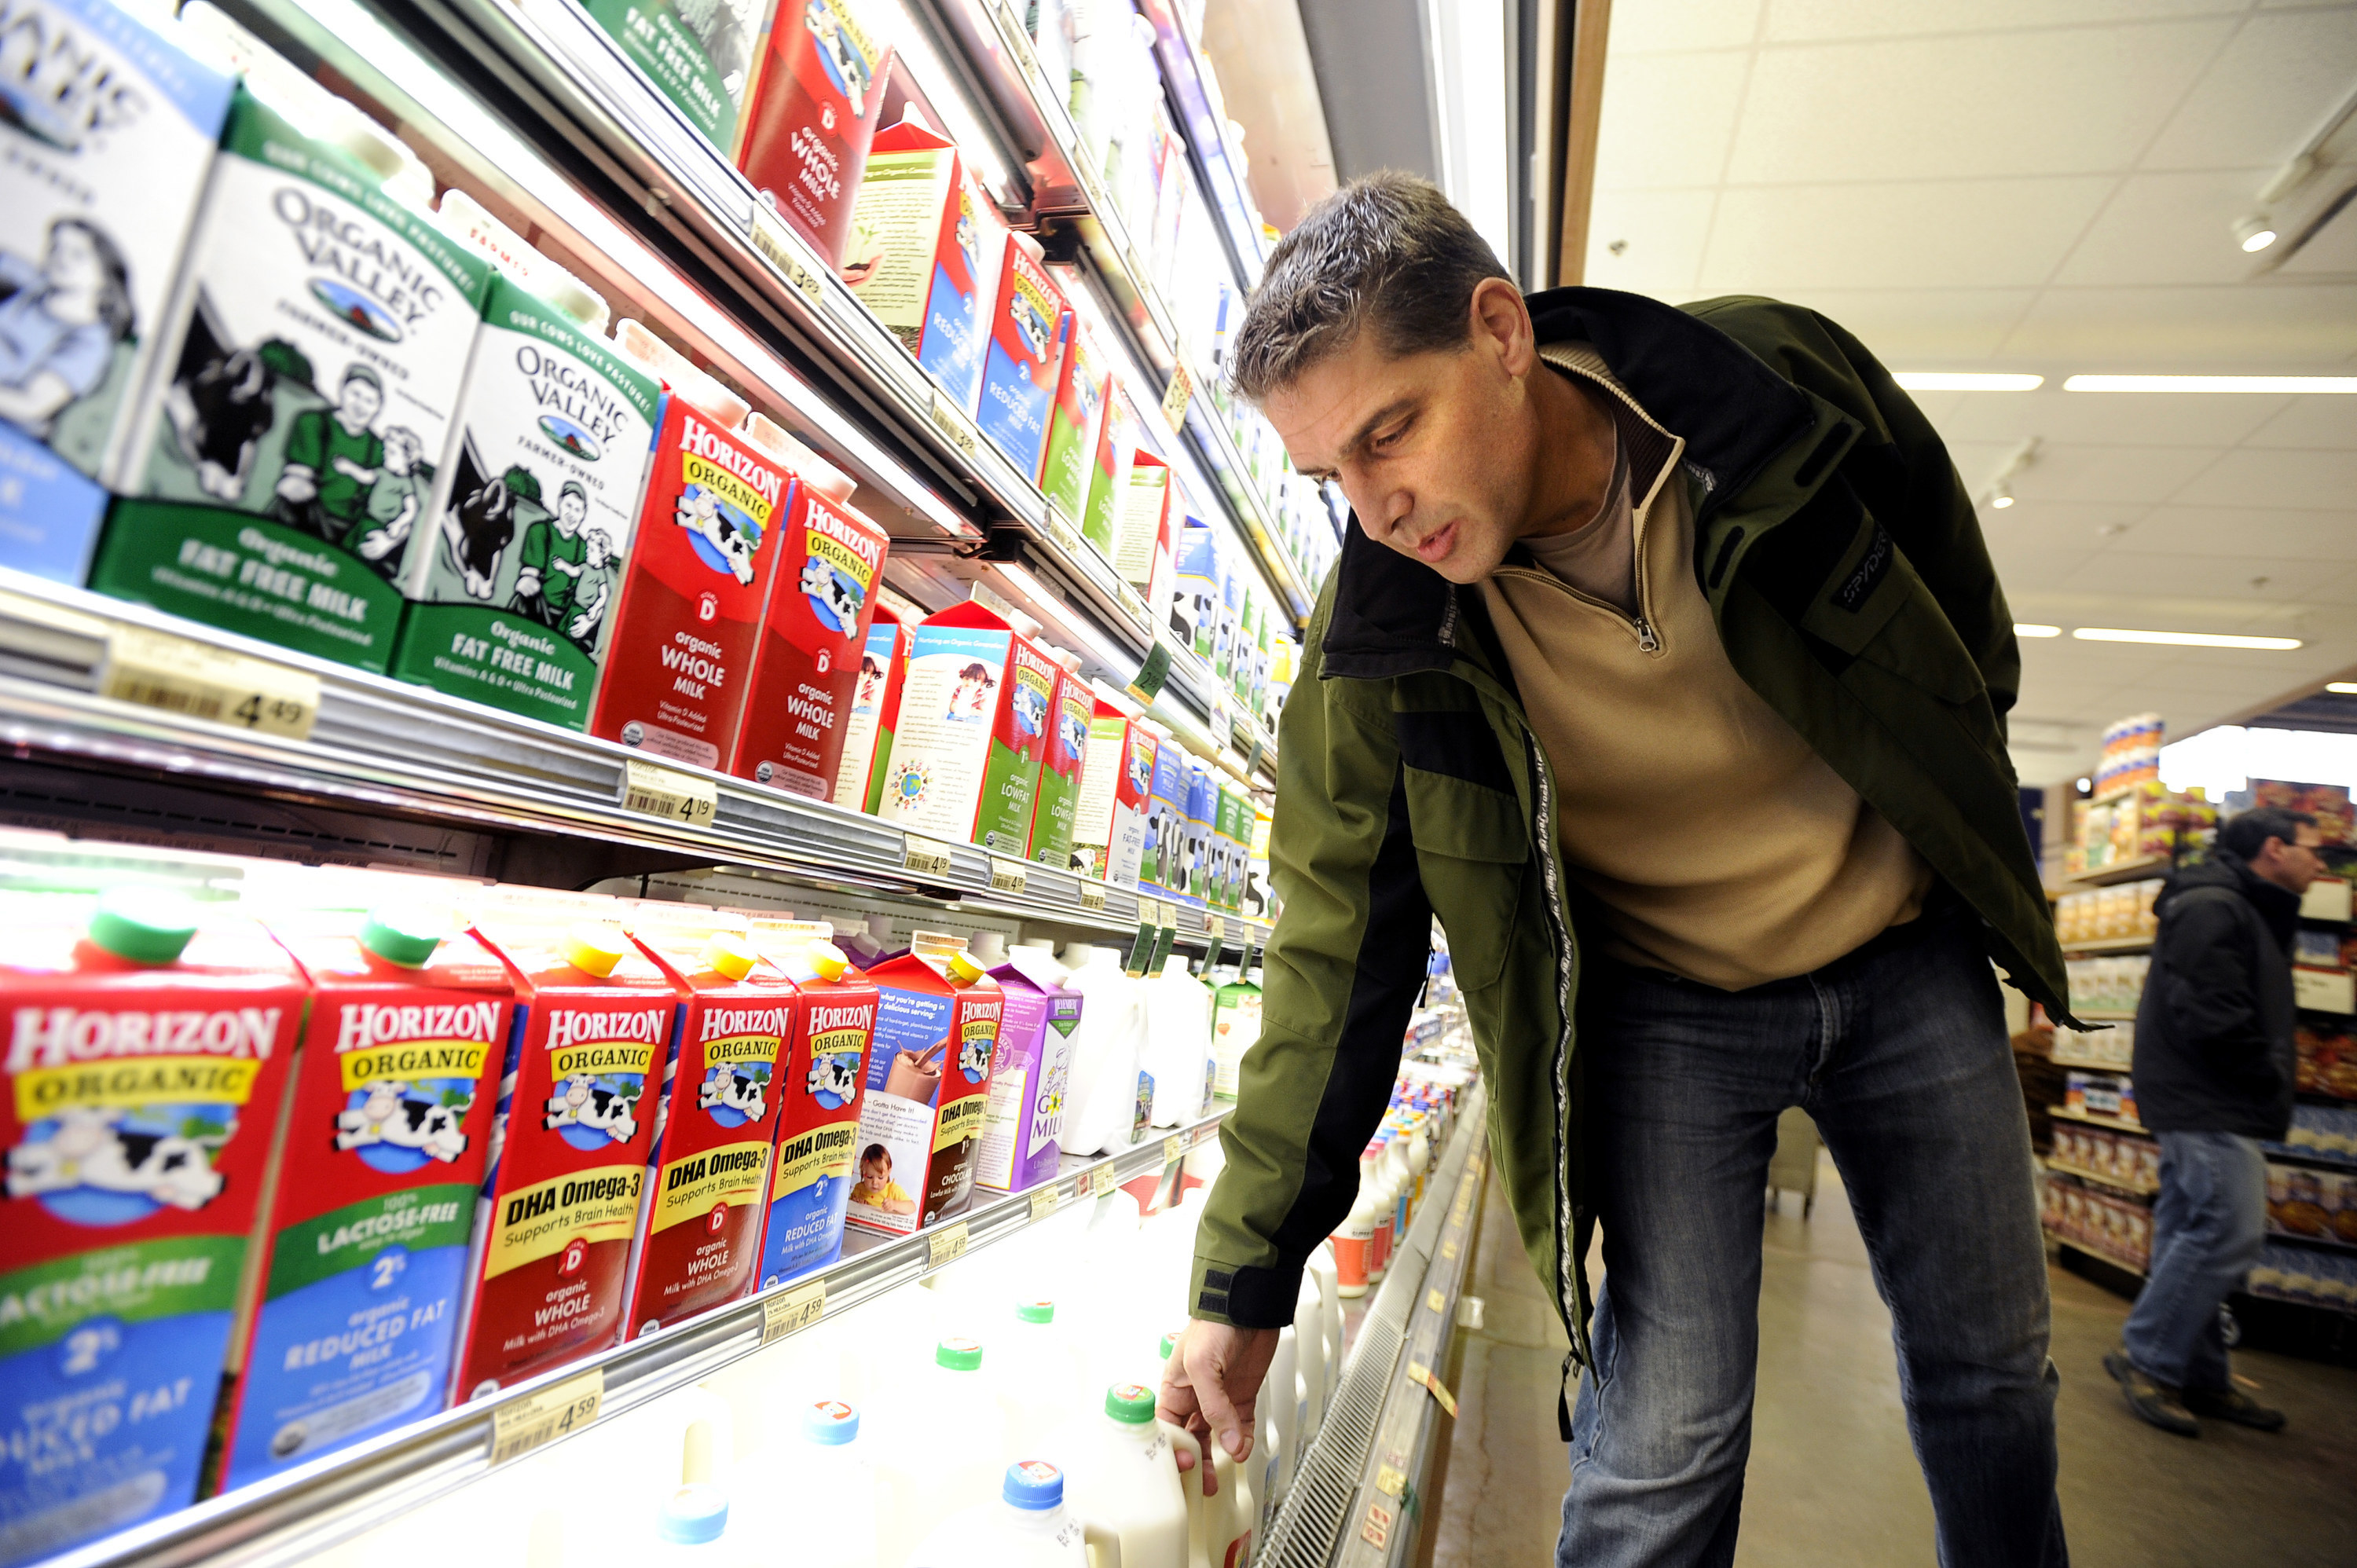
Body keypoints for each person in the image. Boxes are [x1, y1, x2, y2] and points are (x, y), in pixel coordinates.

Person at [1156, 174, 2075, 1567]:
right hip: (1667, 1012)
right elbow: (1334, 949)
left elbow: (1955, 628)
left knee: (1990, 1373)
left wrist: (1951, 817)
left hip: (1907, 955)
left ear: (1501, 330)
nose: (1377, 507)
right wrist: (1246, 1278)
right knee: (1665, 1443)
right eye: (1330, 474)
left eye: (1390, 430)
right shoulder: (1385, 636)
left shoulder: (1773, 386)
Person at [2108, 805, 2323, 1437]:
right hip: (2207, 1093)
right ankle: (2147, 1355)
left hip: (2209, 1091)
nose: (2323, 862)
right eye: (2316, 849)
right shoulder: (2212, 905)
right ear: (2276, 849)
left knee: (2189, 1231)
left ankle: (2200, 1374)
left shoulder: (2243, 904)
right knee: (2230, 1228)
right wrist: (2263, 1070)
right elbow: (2211, 1010)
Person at [277, 364, 386, 544]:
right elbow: (297, 478)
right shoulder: (314, 422)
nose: (360, 405)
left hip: (349, 533)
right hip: (305, 518)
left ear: (378, 407)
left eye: (369, 401)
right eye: (356, 394)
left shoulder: (379, 449)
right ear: (342, 389)